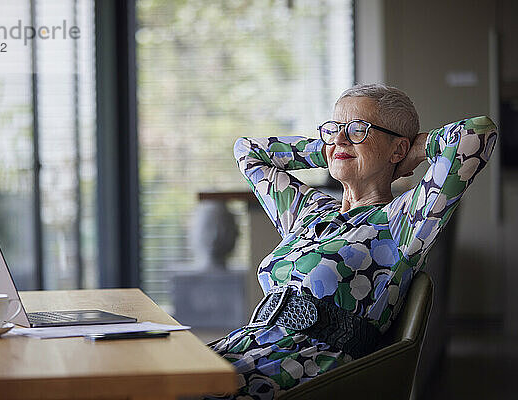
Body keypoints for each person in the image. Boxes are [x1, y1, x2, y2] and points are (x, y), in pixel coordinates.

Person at [207, 83, 498, 400]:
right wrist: (329, 149)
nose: (340, 138)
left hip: (296, 373)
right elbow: (247, 152)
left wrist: (413, 151)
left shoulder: (400, 222)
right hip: (246, 349)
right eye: (333, 129)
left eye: (358, 129)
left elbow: (477, 133)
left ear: (397, 149)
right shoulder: (309, 212)